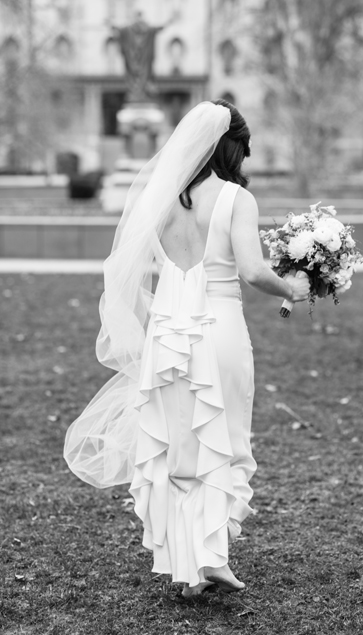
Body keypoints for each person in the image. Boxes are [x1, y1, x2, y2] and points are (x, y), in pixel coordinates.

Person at [64, 100, 310, 596]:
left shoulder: (161, 199)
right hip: (217, 326)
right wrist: (294, 289)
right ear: (231, 148)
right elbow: (252, 270)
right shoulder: (236, 199)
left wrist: (146, 324)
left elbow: (126, 270)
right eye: (243, 152)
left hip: (167, 331)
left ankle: (190, 566)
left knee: (178, 444)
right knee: (227, 436)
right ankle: (210, 557)